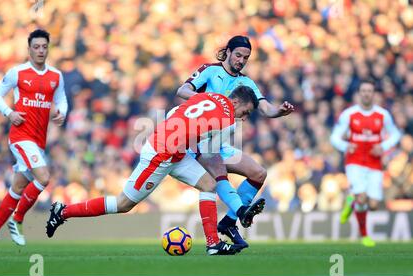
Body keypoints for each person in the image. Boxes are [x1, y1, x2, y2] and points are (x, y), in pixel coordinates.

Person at [46, 86, 265, 255]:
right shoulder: (227, 121)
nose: (243, 118)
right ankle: (63, 211)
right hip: (161, 156)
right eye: (245, 112)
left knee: (208, 184)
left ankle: (213, 244)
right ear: (235, 101)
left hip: (172, 150)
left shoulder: (206, 96)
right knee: (124, 204)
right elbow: (211, 154)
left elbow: (174, 112)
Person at [176, 35, 294, 248]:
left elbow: (265, 107)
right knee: (219, 173)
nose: (241, 60)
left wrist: (279, 111)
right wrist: (212, 101)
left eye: (245, 58)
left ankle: (229, 222)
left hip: (219, 143)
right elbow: (183, 90)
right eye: (238, 55)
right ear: (228, 52)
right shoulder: (210, 71)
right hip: (199, 139)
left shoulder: (246, 82)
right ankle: (240, 211)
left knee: (259, 173)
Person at [0, 29, 68, 255]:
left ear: (48, 48)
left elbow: (61, 100)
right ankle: (17, 219)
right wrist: (9, 113)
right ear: (29, 49)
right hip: (20, 137)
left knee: (18, 187)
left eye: (44, 47)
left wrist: (62, 112)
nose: (40, 50)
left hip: (39, 141)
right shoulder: (17, 73)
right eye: (36, 47)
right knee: (44, 177)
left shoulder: (56, 76)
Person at [330, 79, 401, 247]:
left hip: (374, 163)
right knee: (362, 198)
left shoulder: (383, 115)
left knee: (374, 205)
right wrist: (347, 145)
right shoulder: (349, 114)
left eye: (369, 91)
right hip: (355, 161)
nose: (366, 94)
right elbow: (334, 137)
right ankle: (364, 235)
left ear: (374, 94)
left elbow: (395, 134)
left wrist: (382, 147)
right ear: (359, 93)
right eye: (363, 91)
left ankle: (351, 201)